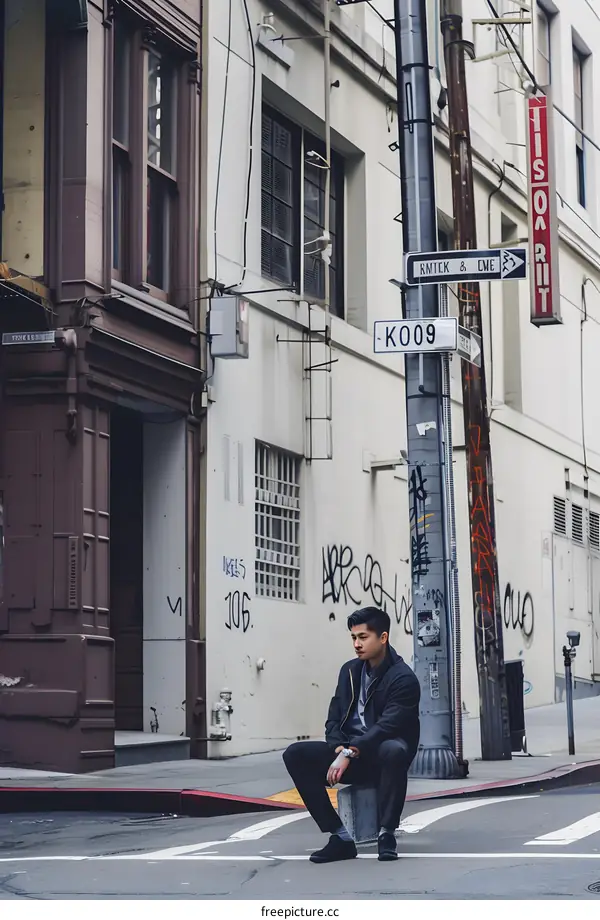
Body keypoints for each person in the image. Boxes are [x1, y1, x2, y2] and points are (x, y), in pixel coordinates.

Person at [283, 606, 420, 864]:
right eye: (353, 638)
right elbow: (334, 717)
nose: (357, 644)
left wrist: (350, 751)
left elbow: (387, 727)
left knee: (394, 749)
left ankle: (386, 833)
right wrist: (337, 747)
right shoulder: (349, 671)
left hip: (382, 758)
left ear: (383, 637)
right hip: (349, 754)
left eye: (363, 637)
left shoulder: (404, 679)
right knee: (295, 754)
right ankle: (340, 838)